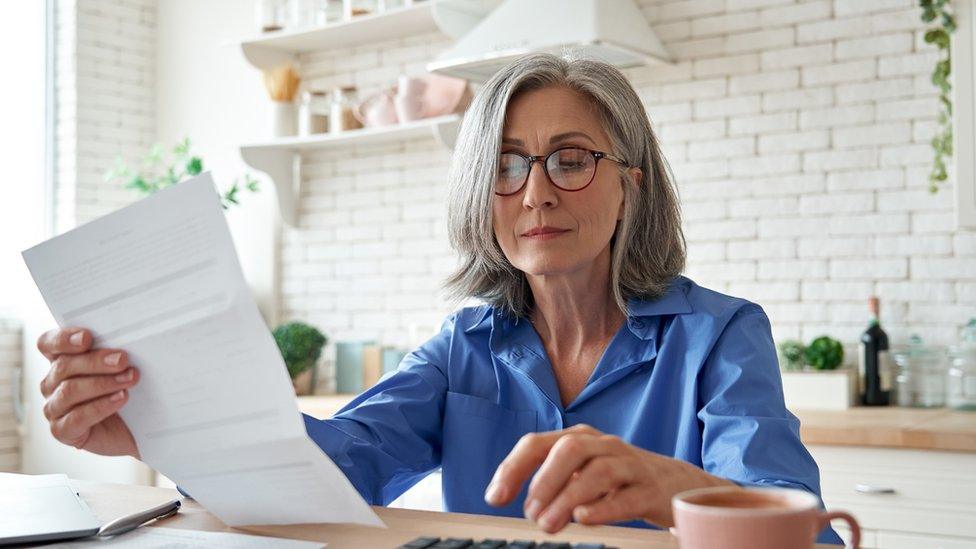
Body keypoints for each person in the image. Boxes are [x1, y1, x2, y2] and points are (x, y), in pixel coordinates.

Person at [36, 53, 842, 544]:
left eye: (569, 159)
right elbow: (335, 468)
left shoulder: (720, 336)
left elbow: (809, 537)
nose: (534, 193)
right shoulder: (464, 346)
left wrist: (670, 486)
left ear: (630, 185)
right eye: (506, 164)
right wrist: (161, 423)